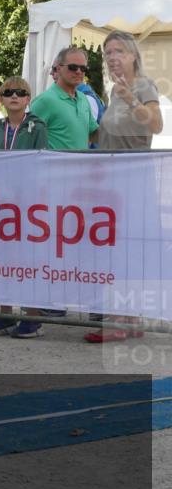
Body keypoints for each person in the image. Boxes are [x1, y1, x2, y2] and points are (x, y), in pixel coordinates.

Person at [86, 30, 163, 344]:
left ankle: (118, 321)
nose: (112, 57)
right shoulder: (111, 92)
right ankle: (130, 320)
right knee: (123, 250)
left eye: (118, 50)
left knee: (122, 250)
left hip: (133, 182)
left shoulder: (143, 86)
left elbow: (156, 125)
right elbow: (109, 135)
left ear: (133, 55)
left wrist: (132, 98)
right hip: (112, 183)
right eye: (107, 52)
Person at [0, 77, 50, 339]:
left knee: (28, 261)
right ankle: (4, 314)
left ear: (28, 98)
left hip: (28, 205)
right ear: (2, 99)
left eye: (21, 92)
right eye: (8, 92)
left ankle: (31, 317)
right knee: (1, 261)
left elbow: (39, 163)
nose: (14, 96)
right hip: (0, 206)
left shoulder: (37, 127)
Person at [29, 46, 99, 150]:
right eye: (73, 67)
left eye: (83, 68)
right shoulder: (44, 101)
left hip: (81, 165)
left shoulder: (83, 99)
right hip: (54, 166)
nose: (79, 72)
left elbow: (94, 134)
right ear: (58, 69)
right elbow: (27, 139)